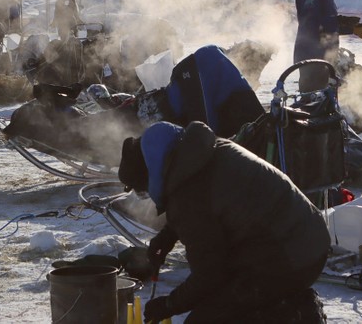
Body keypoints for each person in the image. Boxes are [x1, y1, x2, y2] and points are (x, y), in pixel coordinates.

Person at [118, 121, 330, 323]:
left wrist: (169, 304)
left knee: (206, 319)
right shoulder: (201, 151)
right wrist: (166, 237)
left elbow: (208, 275)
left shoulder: (188, 196)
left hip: (292, 259)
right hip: (307, 238)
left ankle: (297, 314)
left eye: (143, 190)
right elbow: (208, 204)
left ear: (151, 173)